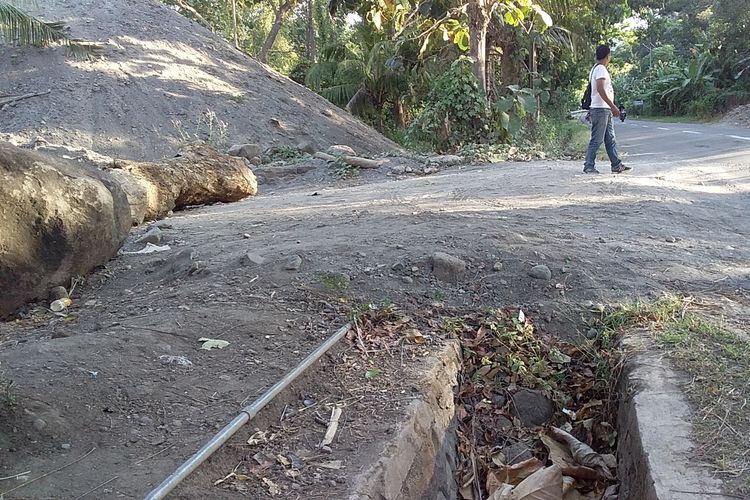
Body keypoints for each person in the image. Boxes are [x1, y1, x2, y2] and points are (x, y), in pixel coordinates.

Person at [583, 45, 631, 174]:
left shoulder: (595, 69)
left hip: (602, 109)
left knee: (610, 138)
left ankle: (616, 164)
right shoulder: (601, 70)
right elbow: (600, 89)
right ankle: (589, 165)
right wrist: (613, 106)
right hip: (601, 109)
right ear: (607, 56)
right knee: (597, 139)